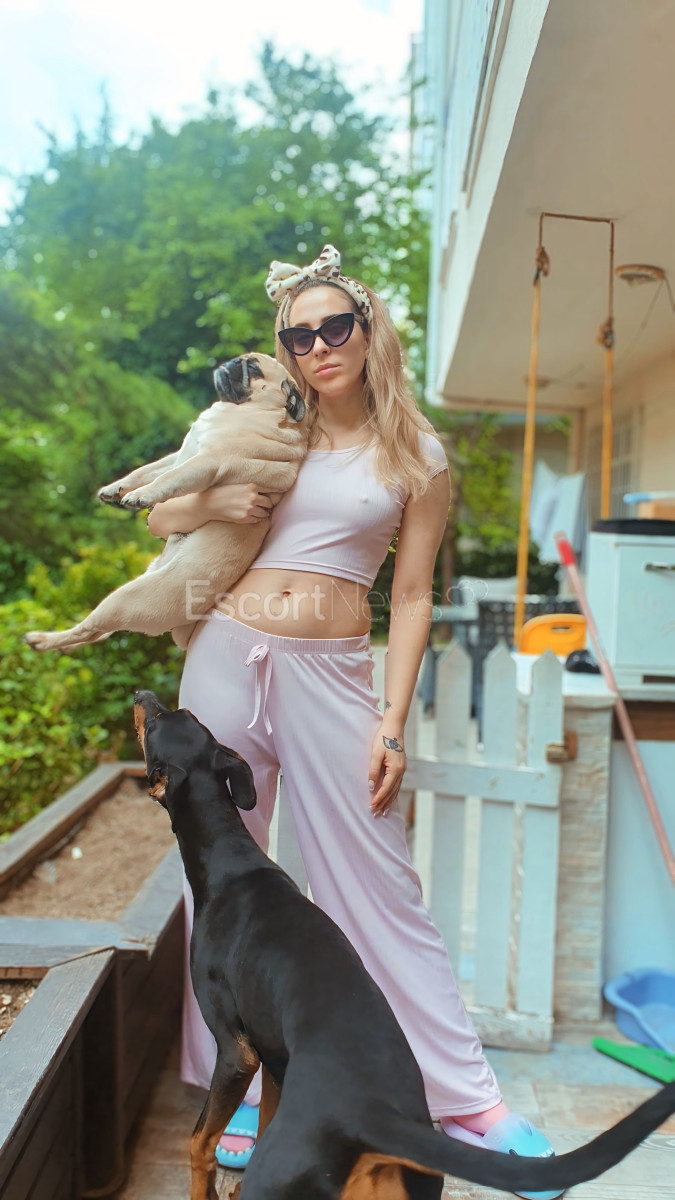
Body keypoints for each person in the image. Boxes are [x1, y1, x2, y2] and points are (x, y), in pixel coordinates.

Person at [147, 246, 562, 1200]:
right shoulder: (269, 431)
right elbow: (166, 521)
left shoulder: (416, 455)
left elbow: (410, 595)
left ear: (369, 332)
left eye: (336, 326)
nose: (318, 346)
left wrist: (392, 718)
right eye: (298, 336)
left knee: (376, 881)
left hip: (331, 674)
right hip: (224, 656)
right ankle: (235, 1083)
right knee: (218, 878)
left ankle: (463, 1096)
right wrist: (219, 495)